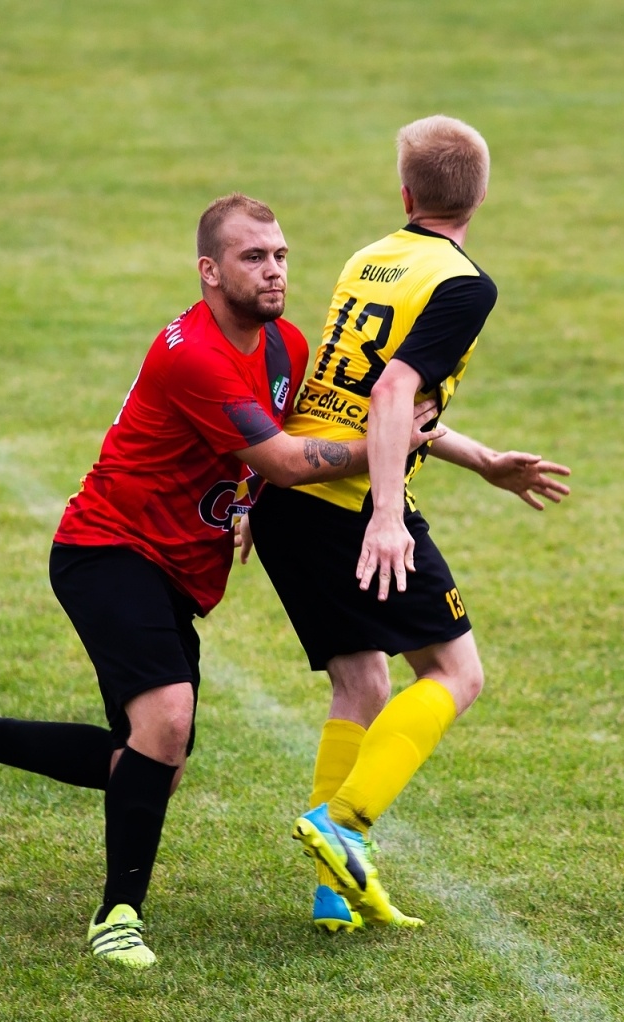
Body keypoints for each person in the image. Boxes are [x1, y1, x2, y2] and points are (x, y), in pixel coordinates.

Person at [0, 193, 439, 969]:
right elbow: (291, 461)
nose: (274, 271)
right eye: (253, 258)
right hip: (107, 549)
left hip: (179, 570)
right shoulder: (193, 354)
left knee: (153, 766)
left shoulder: (287, 346)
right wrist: (383, 452)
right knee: (164, 720)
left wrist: (481, 458)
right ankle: (117, 916)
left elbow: (324, 429)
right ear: (209, 271)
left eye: (282, 256)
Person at [245, 116, 570, 933]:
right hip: (349, 506)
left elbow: (361, 396)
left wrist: (483, 458)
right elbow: (392, 395)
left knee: (362, 684)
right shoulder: (465, 283)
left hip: (292, 502)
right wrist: (387, 515)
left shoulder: (370, 259)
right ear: (483, 194)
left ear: (405, 193)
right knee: (457, 675)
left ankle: (333, 897)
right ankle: (340, 826)